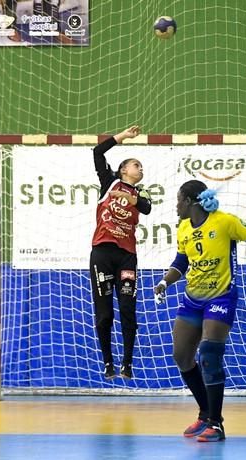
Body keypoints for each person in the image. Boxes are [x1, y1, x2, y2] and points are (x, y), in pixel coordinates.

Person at [153, 180, 246, 442]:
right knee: (181, 356)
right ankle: (204, 413)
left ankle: (216, 424)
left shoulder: (224, 222)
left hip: (221, 295)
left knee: (209, 351)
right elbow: (181, 261)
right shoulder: (184, 227)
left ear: (189, 201)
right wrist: (165, 281)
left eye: (178, 200)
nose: (175, 205)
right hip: (193, 299)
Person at [90, 125, 151, 380]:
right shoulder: (110, 182)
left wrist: (133, 199)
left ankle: (128, 362)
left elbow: (146, 208)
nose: (141, 168)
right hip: (102, 253)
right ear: (124, 169)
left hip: (127, 256)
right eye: (136, 165)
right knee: (104, 313)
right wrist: (123, 137)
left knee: (128, 308)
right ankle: (107, 362)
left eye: (141, 166)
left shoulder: (141, 192)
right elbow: (97, 152)